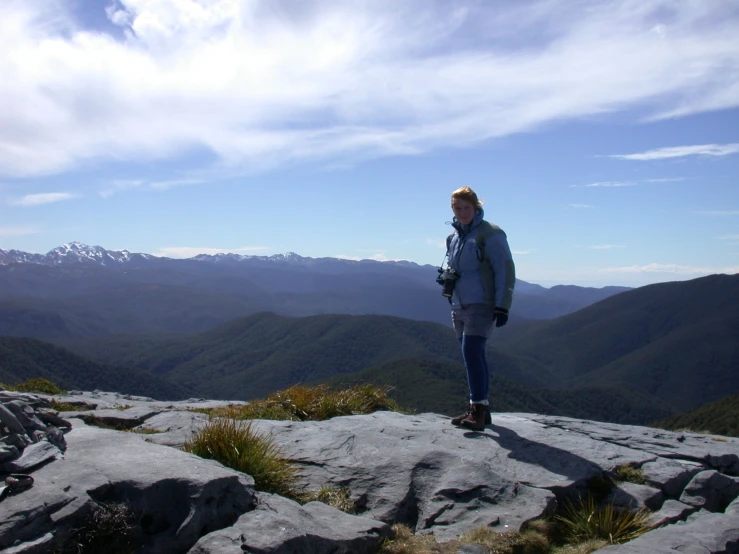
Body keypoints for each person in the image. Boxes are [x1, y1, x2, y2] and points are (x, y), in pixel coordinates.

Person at [439, 186, 515, 431]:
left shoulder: (490, 234)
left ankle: (478, 410)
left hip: (481, 302)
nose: (462, 213)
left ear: (476, 207)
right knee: (471, 355)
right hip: (459, 304)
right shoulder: (454, 238)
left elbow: (505, 269)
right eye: (457, 208)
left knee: (472, 352)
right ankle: (480, 409)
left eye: (466, 208)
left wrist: (503, 305)